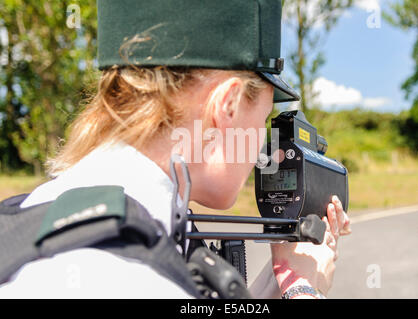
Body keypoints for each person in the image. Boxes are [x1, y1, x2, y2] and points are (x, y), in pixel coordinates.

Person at [0, 0, 351, 298]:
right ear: (226, 107)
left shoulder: (56, 214)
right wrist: (306, 291)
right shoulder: (121, 273)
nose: (260, 143)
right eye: (262, 121)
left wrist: (285, 277)